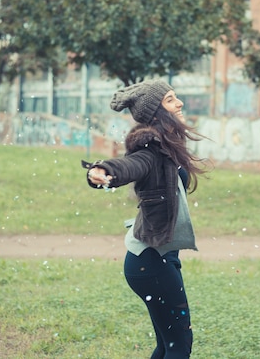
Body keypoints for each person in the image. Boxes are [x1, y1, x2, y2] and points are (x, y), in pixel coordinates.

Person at [82, 79, 209, 359]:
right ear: (156, 113)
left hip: (160, 257)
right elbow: (131, 165)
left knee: (167, 345)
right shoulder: (150, 150)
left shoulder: (167, 146)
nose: (180, 103)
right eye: (171, 100)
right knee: (179, 344)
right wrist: (104, 170)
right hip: (151, 262)